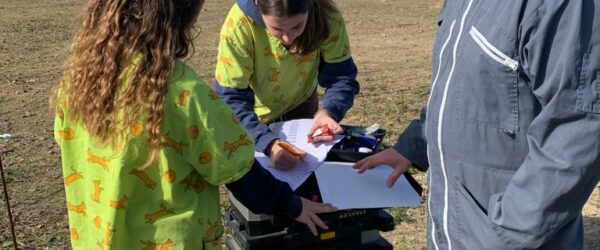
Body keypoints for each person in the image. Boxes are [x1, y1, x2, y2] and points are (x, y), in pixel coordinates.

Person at [52, 0, 336, 249]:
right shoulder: (182, 92)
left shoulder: (78, 82)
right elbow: (241, 175)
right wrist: (294, 206)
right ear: (179, 19)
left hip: (98, 237)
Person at [354, 1, 600, 249]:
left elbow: (577, 129)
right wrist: (413, 146)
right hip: (454, 233)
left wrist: (507, 233)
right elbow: (463, 86)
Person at [213, 0, 360, 170]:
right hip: (252, 118)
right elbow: (230, 98)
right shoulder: (239, 25)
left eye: (297, 26)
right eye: (276, 28)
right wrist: (268, 144)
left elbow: (341, 77)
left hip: (301, 107)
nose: (288, 38)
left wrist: (329, 112)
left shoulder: (328, 17)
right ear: (257, 5)